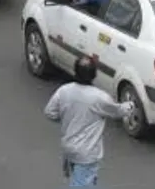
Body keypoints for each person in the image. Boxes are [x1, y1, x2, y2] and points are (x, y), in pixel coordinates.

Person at [44, 57, 133, 187]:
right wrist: (130, 106)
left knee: (85, 181)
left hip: (69, 148)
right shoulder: (99, 97)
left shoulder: (64, 91)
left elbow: (50, 112)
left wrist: (66, 119)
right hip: (87, 153)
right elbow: (117, 111)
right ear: (94, 75)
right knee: (82, 183)